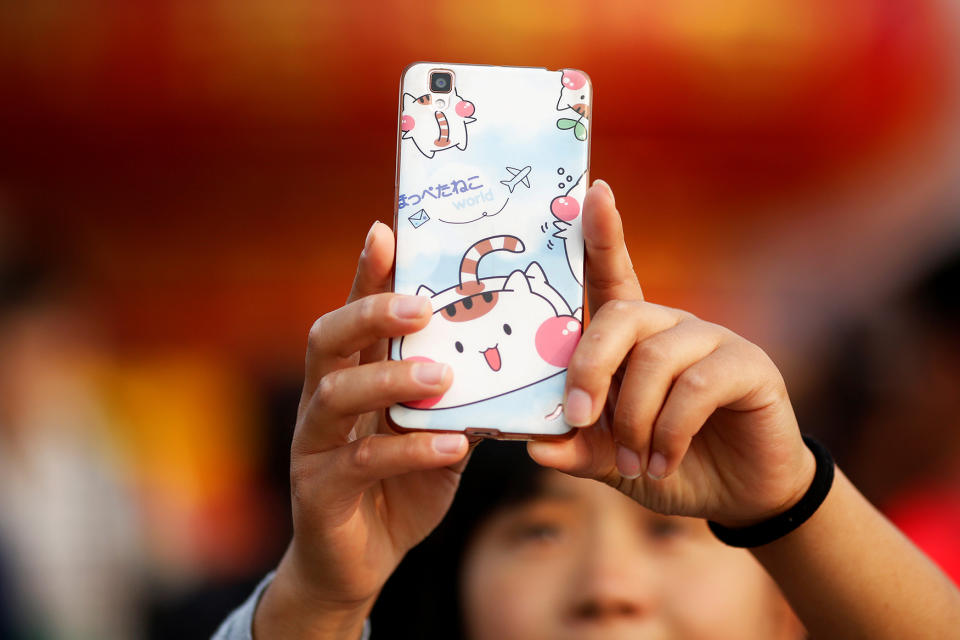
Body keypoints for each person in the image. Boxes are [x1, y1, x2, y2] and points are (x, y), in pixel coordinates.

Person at [214, 180, 960, 639]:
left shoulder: (794, 531)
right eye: (538, 531)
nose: (607, 590)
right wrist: (319, 600)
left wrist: (794, 501)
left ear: (792, 605)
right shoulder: (337, 600)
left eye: (669, 535)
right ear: (458, 588)